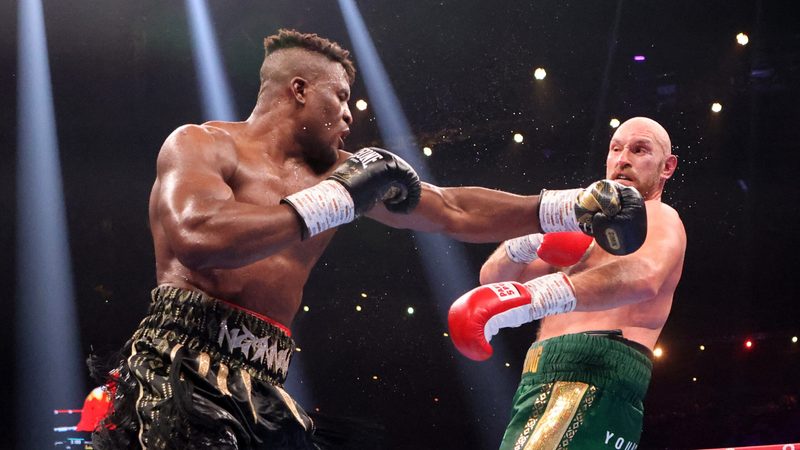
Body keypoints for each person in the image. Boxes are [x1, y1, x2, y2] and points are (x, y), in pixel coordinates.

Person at [92, 29, 647, 450]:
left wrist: (567, 206)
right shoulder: (204, 145)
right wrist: (337, 199)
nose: (350, 116)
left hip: (266, 383)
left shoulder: (342, 171)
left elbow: (453, 209)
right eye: (341, 97)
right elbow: (199, 236)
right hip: (180, 368)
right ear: (299, 91)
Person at [448, 117, 686, 449]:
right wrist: (528, 241)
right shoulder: (582, 224)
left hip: (593, 372)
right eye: (615, 148)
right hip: (542, 375)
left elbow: (644, 277)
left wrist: (542, 294)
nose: (623, 159)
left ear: (667, 167)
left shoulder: (660, 217)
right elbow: (493, 280)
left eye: (639, 149)